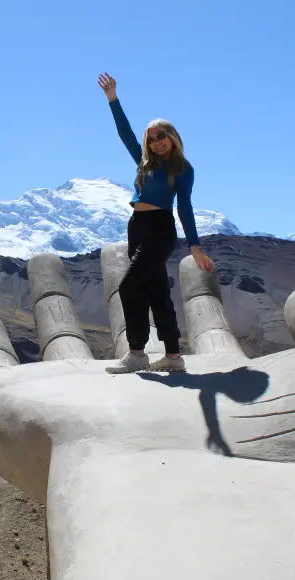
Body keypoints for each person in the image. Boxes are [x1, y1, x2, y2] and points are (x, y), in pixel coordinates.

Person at [98, 72, 214, 374]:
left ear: (173, 137)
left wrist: (195, 247)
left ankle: (137, 353)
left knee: (129, 287)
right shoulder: (143, 161)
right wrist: (113, 99)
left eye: (161, 136)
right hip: (137, 225)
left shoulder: (183, 169)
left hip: (161, 229)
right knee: (157, 291)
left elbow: (185, 207)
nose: (156, 142)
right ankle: (174, 357)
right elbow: (125, 134)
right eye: (152, 138)